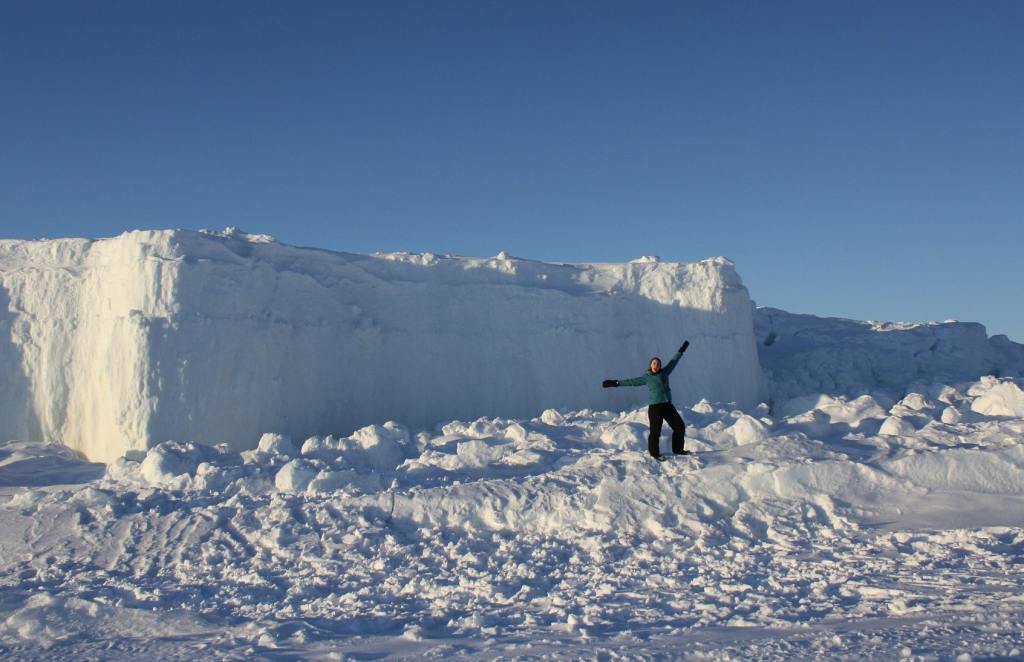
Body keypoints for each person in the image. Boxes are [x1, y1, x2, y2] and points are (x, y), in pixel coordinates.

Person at [602, 340, 691, 461]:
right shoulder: (646, 378)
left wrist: (681, 350)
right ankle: (654, 453)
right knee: (655, 432)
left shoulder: (665, 372)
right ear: (651, 365)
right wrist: (615, 383)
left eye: (658, 363)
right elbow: (631, 382)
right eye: (654, 363)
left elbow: (674, 361)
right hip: (655, 408)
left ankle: (678, 450)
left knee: (679, 426)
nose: (656, 365)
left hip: (667, 406)